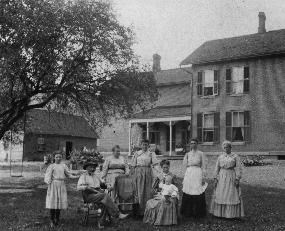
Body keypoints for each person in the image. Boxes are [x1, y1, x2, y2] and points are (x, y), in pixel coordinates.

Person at [77, 161, 129, 228]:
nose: (93, 169)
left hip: (98, 193)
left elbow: (102, 184)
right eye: (91, 167)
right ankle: (117, 214)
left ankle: (101, 223)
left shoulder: (96, 176)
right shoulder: (83, 176)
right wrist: (88, 188)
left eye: (94, 167)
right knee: (104, 195)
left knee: (104, 202)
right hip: (89, 195)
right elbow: (78, 187)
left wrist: (108, 186)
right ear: (86, 168)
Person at [210, 140, 244, 219]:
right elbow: (217, 168)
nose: (226, 149)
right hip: (222, 176)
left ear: (230, 148)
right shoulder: (220, 156)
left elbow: (239, 168)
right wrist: (215, 178)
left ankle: (230, 214)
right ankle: (220, 213)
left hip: (230, 175)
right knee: (221, 192)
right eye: (224, 148)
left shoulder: (235, 156)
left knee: (230, 193)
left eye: (227, 147)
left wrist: (237, 179)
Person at [44, 153, 79, 228]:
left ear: (62, 158)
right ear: (54, 158)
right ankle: (52, 220)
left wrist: (76, 176)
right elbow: (47, 175)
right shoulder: (51, 166)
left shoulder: (63, 166)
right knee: (53, 203)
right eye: (57, 157)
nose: (58, 158)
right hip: (53, 184)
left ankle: (57, 219)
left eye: (60, 157)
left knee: (59, 203)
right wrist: (48, 181)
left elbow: (68, 174)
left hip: (61, 185)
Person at [143, 159, 179, 226]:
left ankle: (167, 221)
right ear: (161, 167)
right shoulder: (159, 176)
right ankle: (154, 218)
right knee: (149, 202)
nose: (165, 169)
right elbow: (154, 188)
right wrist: (157, 191)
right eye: (164, 167)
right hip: (160, 194)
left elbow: (176, 188)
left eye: (167, 167)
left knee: (164, 201)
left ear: (169, 167)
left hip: (170, 195)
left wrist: (172, 193)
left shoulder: (172, 176)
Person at [180, 138, 208, 218]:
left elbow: (204, 166)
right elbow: (184, 166)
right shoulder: (187, 154)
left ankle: (198, 212)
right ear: (190, 144)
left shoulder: (201, 154)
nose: (193, 144)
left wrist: (203, 177)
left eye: (195, 143)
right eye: (191, 143)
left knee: (197, 190)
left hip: (197, 172)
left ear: (197, 144)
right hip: (189, 173)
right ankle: (187, 211)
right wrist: (184, 176)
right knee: (188, 191)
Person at [131, 139, 159, 216]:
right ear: (141, 145)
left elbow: (155, 164)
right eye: (143, 144)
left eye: (146, 144)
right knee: (139, 190)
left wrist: (159, 173)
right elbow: (133, 165)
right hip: (139, 172)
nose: (144, 146)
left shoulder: (151, 153)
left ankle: (147, 211)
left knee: (147, 190)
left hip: (148, 172)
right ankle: (139, 211)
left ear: (148, 145)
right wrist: (132, 175)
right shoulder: (137, 153)